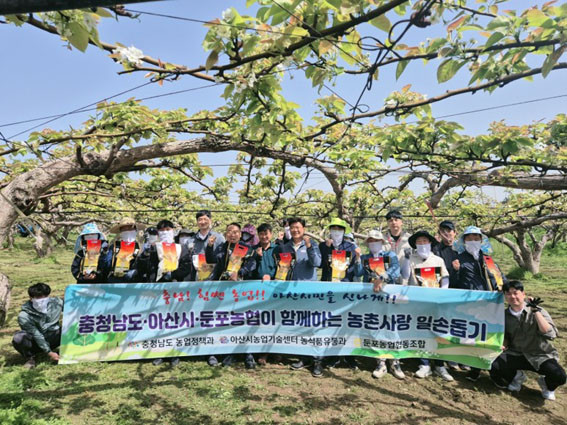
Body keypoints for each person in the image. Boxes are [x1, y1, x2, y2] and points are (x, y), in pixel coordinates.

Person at [490, 280, 566, 400]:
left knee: (559, 376)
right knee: (494, 365)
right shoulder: (504, 315)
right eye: (508, 294)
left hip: (540, 354)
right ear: (505, 296)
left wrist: (536, 312)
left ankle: (547, 385)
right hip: (517, 353)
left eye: (516, 293)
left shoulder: (537, 310)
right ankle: (517, 377)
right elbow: (505, 336)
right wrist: (503, 344)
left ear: (523, 294)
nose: (512, 296)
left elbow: (550, 333)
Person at [453, 225, 507, 381]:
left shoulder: (488, 259)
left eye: (476, 238)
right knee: (472, 335)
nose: (473, 241)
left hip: (489, 304)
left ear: (481, 240)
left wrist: (510, 290)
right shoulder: (459, 259)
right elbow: (454, 284)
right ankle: (473, 367)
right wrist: (455, 271)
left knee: (488, 335)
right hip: (468, 305)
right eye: (469, 238)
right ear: (464, 241)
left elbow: (500, 279)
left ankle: (491, 368)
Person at [272, 217, 323, 377]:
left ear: (303, 229)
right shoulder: (285, 247)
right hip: (291, 292)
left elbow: (317, 262)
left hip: (309, 291)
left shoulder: (312, 244)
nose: (295, 230)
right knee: (299, 325)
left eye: (298, 227)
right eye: (292, 227)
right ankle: (303, 357)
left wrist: (309, 247)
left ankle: (317, 361)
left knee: (313, 326)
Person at [402, 230, 454, 382]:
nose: (422, 244)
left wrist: (442, 294)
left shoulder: (437, 260)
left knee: (438, 331)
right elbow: (405, 276)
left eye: (425, 241)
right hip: (418, 303)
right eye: (419, 242)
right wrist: (406, 260)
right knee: (421, 331)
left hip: (436, 302)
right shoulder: (411, 259)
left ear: (430, 243)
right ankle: (424, 364)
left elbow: (445, 278)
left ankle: (439, 364)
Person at [205, 222, 257, 369]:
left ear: (240, 234)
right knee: (221, 319)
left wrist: (240, 273)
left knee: (241, 320)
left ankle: (246, 354)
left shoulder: (247, 249)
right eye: (229, 231)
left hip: (240, 289)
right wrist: (209, 246)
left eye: (235, 232)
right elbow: (211, 260)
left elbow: (252, 264)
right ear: (226, 234)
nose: (232, 234)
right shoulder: (222, 247)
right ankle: (216, 352)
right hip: (222, 289)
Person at [355, 230, 401, 379]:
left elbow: (396, 270)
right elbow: (358, 273)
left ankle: (395, 361)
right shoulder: (365, 257)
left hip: (389, 297)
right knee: (375, 326)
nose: (373, 243)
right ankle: (380, 362)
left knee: (392, 326)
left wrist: (381, 278)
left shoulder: (390, 256)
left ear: (381, 242)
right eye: (370, 241)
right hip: (372, 298)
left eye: (376, 240)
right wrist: (357, 258)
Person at [12, 283, 63, 369]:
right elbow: (36, 334)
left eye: (45, 297)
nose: (42, 300)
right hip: (35, 343)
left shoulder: (56, 303)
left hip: (54, 337)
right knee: (18, 338)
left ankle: (69, 351)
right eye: (38, 298)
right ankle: (30, 358)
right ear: (31, 298)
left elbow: (73, 305)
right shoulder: (24, 316)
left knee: (73, 327)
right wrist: (49, 352)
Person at [319, 218, 362, 283]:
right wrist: (327, 248)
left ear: (344, 231)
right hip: (327, 283)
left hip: (345, 283)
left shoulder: (351, 247)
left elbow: (354, 268)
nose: (337, 232)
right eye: (334, 229)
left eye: (340, 229)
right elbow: (320, 265)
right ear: (330, 230)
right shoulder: (323, 245)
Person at [106, 217, 145, 283]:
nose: (128, 231)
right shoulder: (115, 246)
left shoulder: (141, 247)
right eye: (124, 229)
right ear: (121, 232)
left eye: (130, 228)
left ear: (135, 230)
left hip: (134, 281)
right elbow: (107, 264)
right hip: (115, 280)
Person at [191, 210, 225, 281]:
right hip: (197, 279)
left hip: (214, 279)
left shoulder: (219, 238)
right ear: (197, 222)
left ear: (210, 221)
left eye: (205, 219)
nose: (203, 222)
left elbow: (222, 259)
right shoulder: (191, 240)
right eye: (200, 220)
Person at [383, 210, 411, 284]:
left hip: (406, 279)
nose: (393, 222)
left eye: (396, 220)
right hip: (387, 279)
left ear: (401, 222)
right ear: (387, 223)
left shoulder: (410, 239)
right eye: (390, 220)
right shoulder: (382, 239)